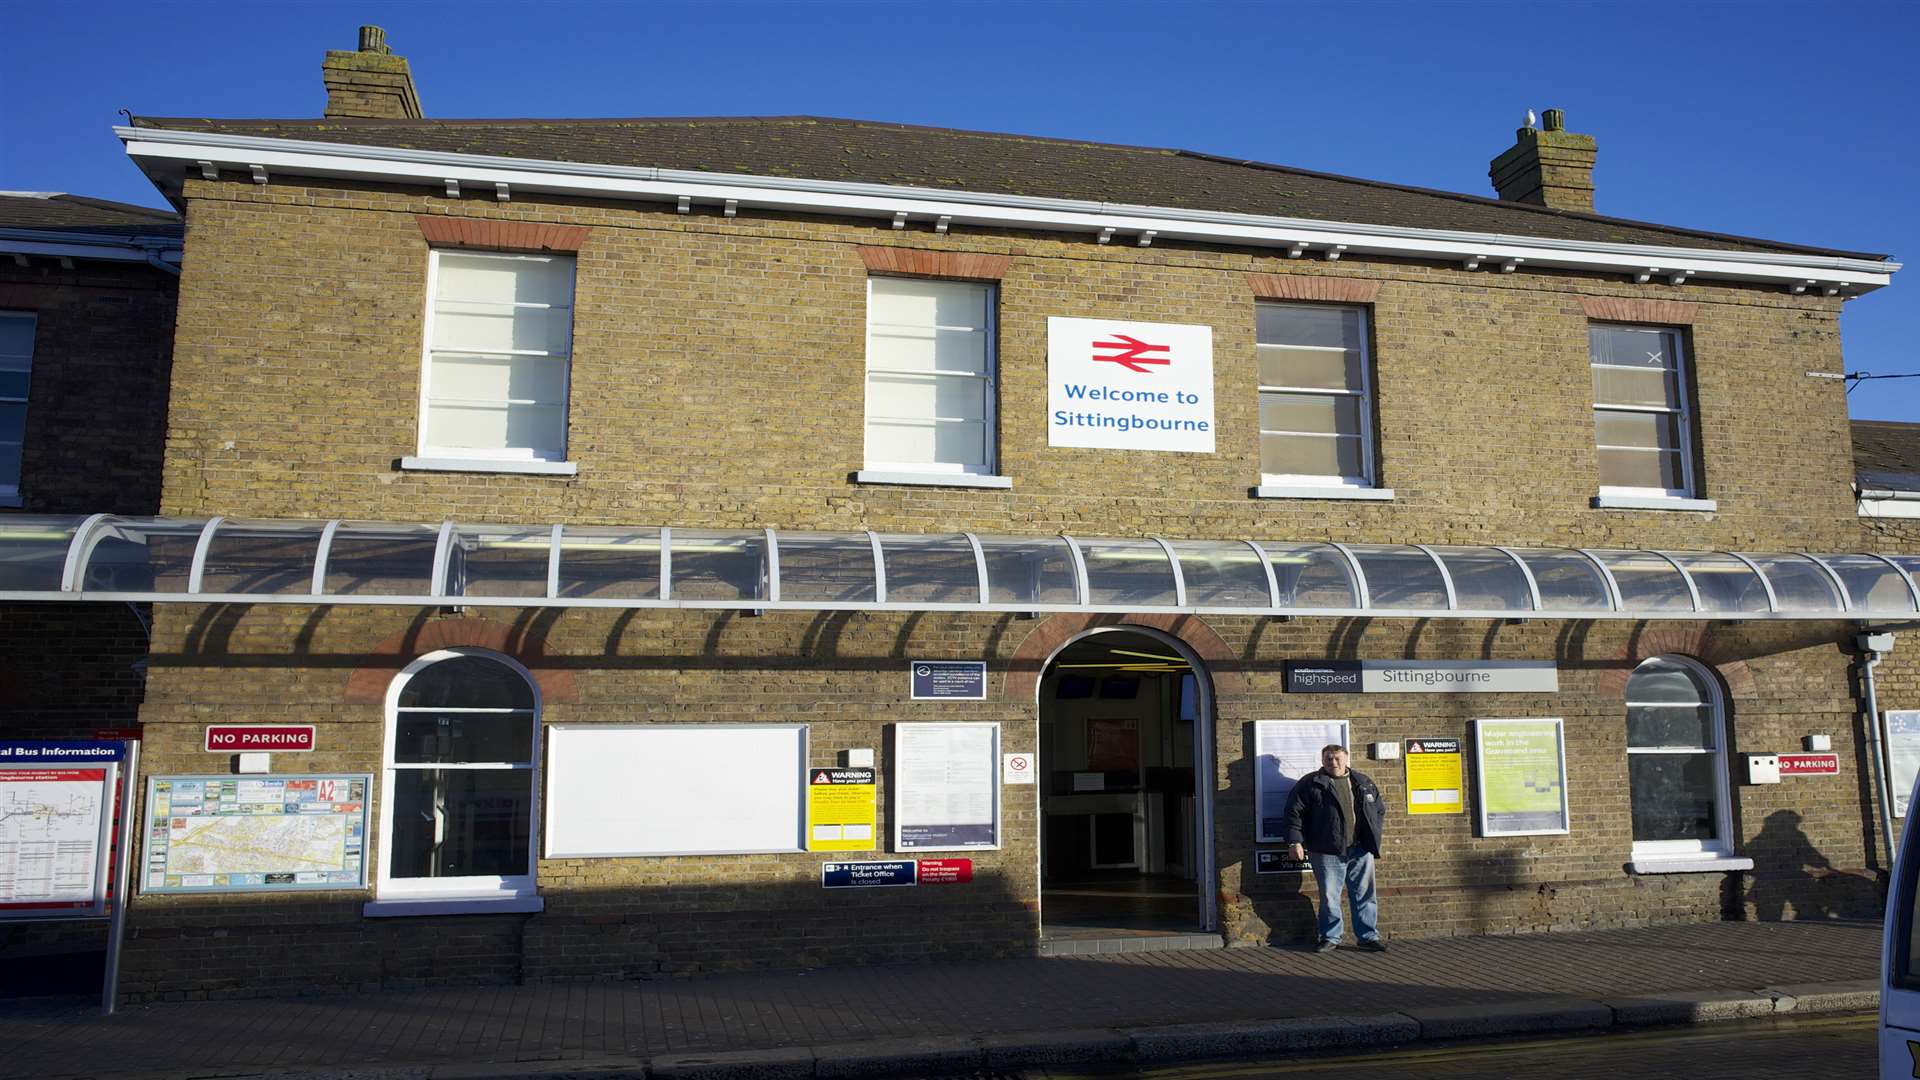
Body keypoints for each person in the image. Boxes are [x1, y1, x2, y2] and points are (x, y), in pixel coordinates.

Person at [1282, 743, 1386, 953]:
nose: (1333, 762)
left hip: (1360, 849)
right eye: (1329, 758)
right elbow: (1293, 813)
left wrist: (1372, 835)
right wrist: (1295, 841)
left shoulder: (1362, 781)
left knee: (1365, 894)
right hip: (1326, 850)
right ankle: (1330, 937)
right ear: (1322, 761)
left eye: (1338, 758)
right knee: (1330, 896)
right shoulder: (1311, 783)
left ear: (1347, 758)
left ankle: (1368, 937)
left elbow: (1378, 809)